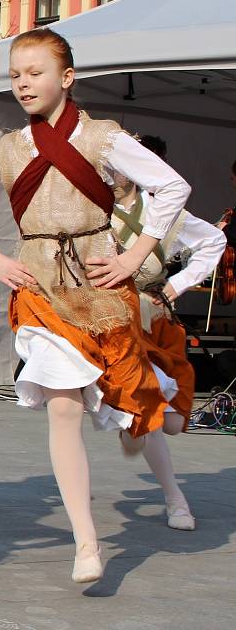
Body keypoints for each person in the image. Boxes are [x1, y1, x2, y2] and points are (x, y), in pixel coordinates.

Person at [0, 29, 191, 583]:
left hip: (101, 284)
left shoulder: (104, 138)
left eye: (34, 73)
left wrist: (135, 255)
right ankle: (87, 542)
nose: (22, 84)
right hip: (39, 290)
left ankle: (173, 491)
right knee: (63, 408)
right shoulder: (8, 148)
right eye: (15, 75)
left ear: (66, 78)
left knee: (135, 404)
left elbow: (172, 187)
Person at [111, 141, 226, 531]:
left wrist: (175, 287)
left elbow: (214, 241)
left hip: (157, 319)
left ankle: (133, 425)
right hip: (113, 321)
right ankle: (176, 499)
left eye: (118, 166)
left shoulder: (165, 210)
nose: (110, 173)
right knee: (148, 408)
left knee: (173, 424)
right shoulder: (89, 211)